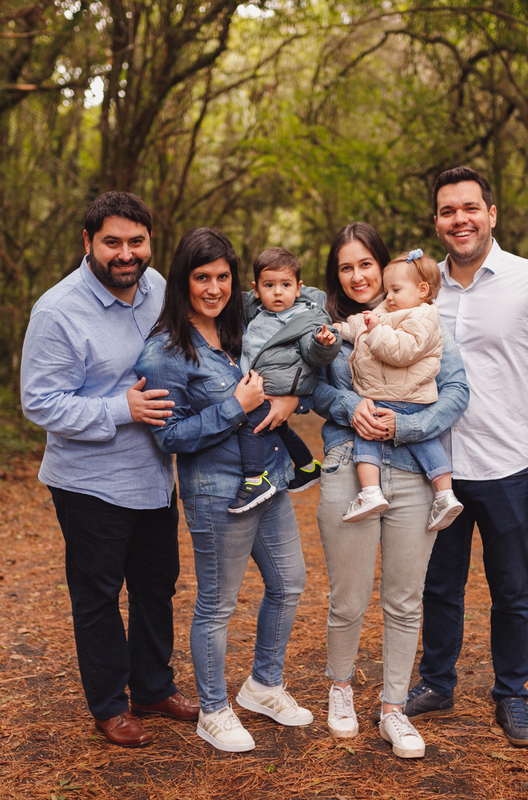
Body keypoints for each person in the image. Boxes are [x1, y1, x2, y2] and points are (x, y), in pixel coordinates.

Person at [402, 166, 528, 749]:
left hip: (511, 467)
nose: (458, 219)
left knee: (511, 590)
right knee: (438, 586)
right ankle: (437, 682)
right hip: (436, 468)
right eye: (446, 211)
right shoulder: (421, 287)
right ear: (435, 222)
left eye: (469, 208)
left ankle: (512, 695)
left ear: (491, 214)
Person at [19, 191, 199, 748]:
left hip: (153, 476)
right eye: (113, 243)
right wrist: (121, 409)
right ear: (88, 243)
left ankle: (152, 686)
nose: (127, 254)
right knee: (98, 595)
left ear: (150, 241)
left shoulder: (161, 290)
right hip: (89, 482)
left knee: (156, 586)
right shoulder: (57, 310)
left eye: (137, 242)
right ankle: (109, 703)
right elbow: (40, 402)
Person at [135, 227, 312, 754]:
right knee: (216, 605)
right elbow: (169, 436)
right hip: (217, 490)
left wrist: (288, 401)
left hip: (270, 478)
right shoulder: (165, 353)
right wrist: (235, 405)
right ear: (183, 283)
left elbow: (286, 373)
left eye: (222, 277)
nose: (213, 288)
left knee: (290, 583)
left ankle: (263, 684)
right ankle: (213, 710)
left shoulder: (244, 331)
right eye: (201, 277)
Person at [311, 223, 469, 759]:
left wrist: (406, 428)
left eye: (365, 265)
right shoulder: (334, 327)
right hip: (350, 467)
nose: (356, 276)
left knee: (405, 599)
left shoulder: (422, 319)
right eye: (344, 268)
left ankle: (394, 709)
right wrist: (348, 408)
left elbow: (456, 391)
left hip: (414, 472)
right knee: (348, 597)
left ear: (383, 266)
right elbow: (314, 387)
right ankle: (340, 690)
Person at [336, 248, 464, 532]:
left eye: (395, 289)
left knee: (368, 436)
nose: (388, 296)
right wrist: (342, 330)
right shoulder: (393, 309)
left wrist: (375, 331)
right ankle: (444, 495)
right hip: (399, 397)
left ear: (421, 290)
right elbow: (364, 321)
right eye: (387, 290)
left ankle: (370, 492)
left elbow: (402, 351)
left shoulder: (424, 318)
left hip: (405, 399)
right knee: (426, 444)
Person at [229, 247, 341, 513]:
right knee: (278, 428)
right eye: (269, 285)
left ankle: (254, 479)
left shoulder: (301, 318)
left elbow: (313, 353)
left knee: (250, 427)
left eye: (285, 284)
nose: (278, 292)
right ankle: (306, 466)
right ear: (256, 290)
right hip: (259, 384)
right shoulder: (258, 312)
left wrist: (323, 343)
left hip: (276, 387)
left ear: (298, 288)